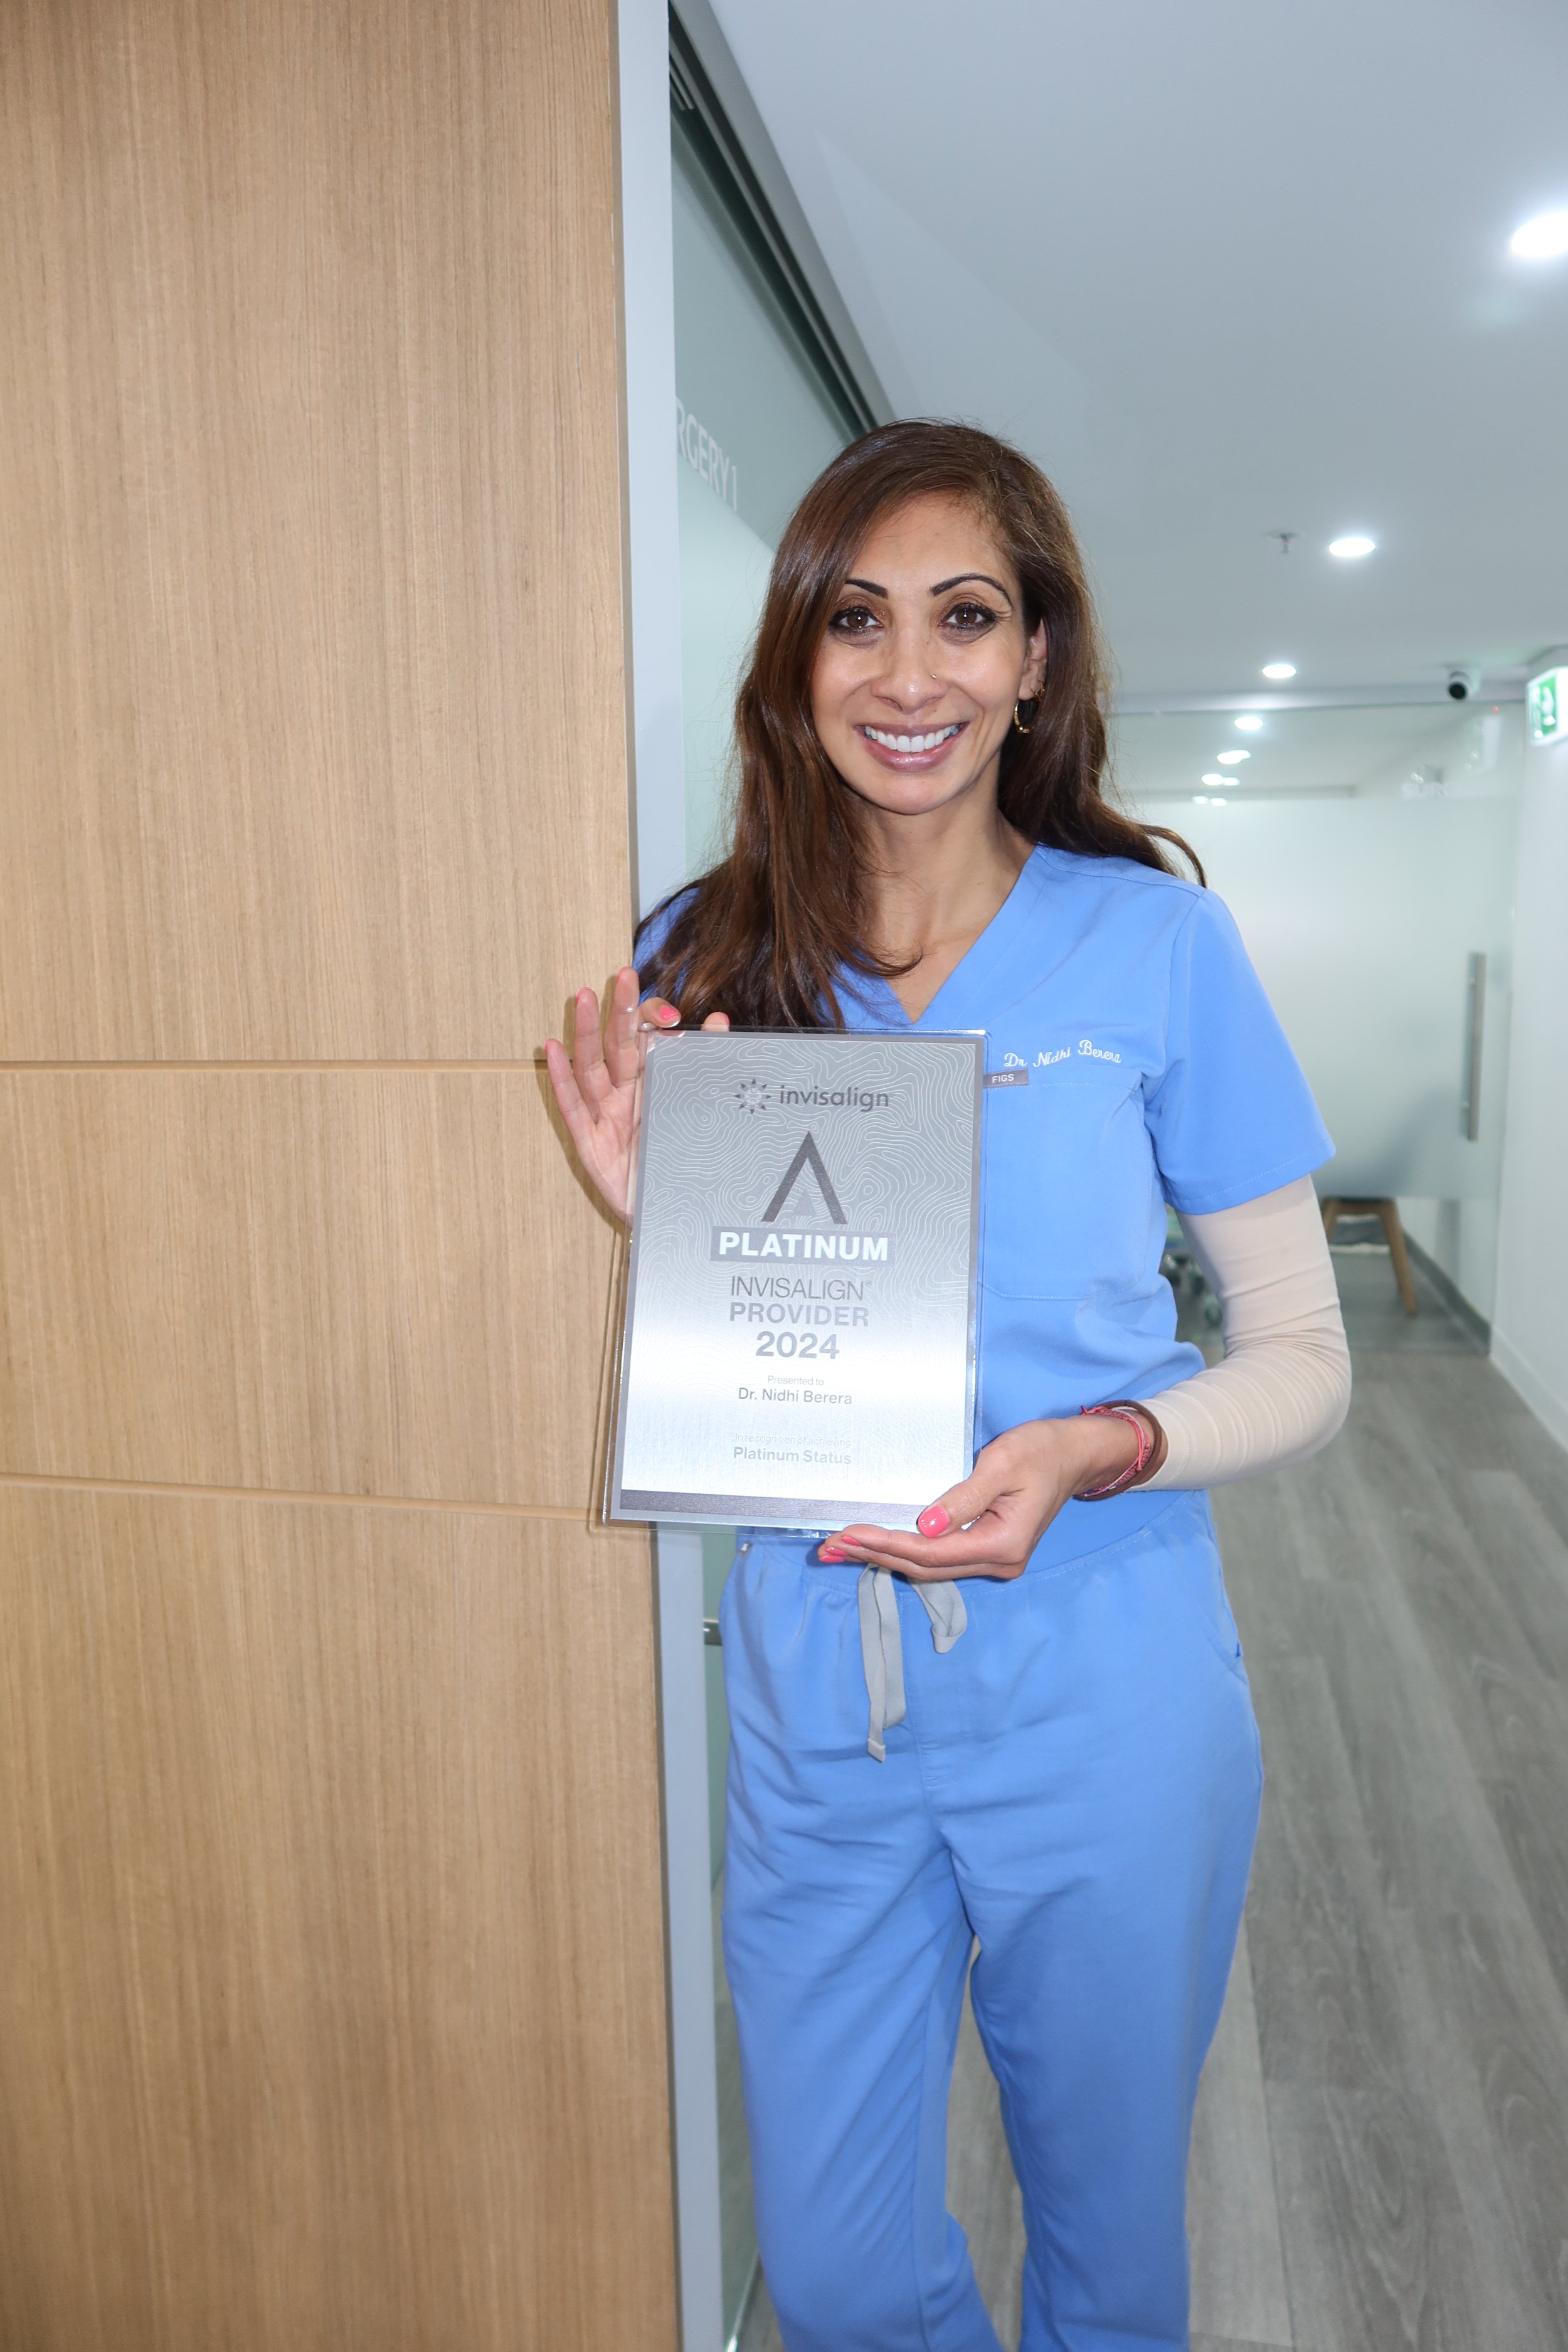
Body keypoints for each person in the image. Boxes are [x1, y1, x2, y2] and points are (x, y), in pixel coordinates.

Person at [546, 421, 1350, 2352]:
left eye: (964, 620)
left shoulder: (1156, 944)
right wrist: (661, 1222)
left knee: (1103, 2246)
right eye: (856, 620)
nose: (908, 677)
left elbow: (1305, 1364)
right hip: (819, 1698)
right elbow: (757, 1354)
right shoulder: (708, 947)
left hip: (1106, 1690)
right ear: (794, 660)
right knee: (825, 2272)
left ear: (1036, 663)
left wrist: (1098, 1444)